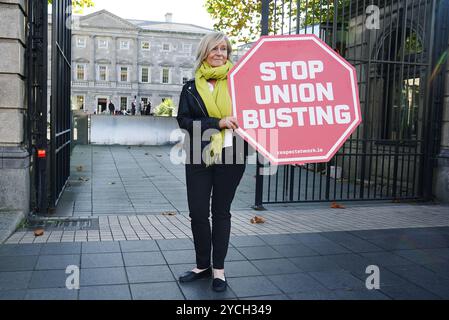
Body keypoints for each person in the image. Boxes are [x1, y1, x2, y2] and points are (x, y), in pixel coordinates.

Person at [176, 32, 248, 292]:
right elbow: (183, 121)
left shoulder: (240, 83)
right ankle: (202, 265)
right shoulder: (190, 87)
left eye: (224, 49)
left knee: (220, 212)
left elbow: (255, 113)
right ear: (204, 52)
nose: (219, 53)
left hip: (232, 152)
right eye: (214, 49)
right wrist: (215, 123)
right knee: (197, 212)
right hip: (198, 153)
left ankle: (219, 269)